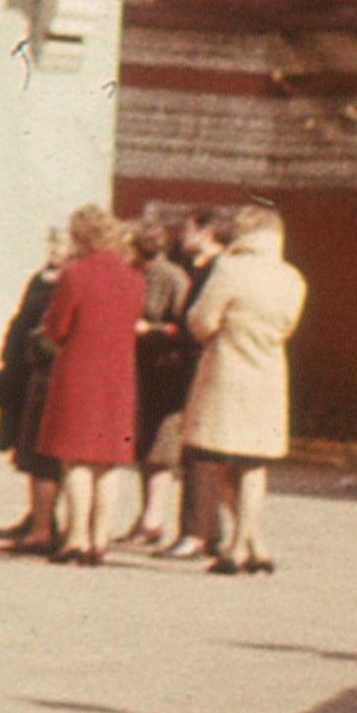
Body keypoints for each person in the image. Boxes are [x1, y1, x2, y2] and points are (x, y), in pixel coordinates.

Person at [185, 203, 310, 576]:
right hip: (268, 374)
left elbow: (203, 321)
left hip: (226, 371)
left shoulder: (231, 270)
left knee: (220, 458)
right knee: (255, 463)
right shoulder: (292, 278)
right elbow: (288, 326)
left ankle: (239, 544)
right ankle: (250, 543)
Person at [31, 202, 146, 564]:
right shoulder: (133, 279)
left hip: (79, 373)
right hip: (118, 376)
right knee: (107, 461)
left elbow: (57, 326)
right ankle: (100, 539)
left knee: (75, 458)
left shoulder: (75, 274)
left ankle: (75, 537)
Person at [0, 222, 72, 555]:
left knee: (45, 451)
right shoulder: (40, 278)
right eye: (51, 242)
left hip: (47, 366)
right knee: (26, 445)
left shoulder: (67, 280)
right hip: (25, 369)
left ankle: (47, 521)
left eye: (60, 243)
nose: (54, 250)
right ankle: (37, 513)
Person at [120, 218, 199, 550]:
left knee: (162, 449)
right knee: (143, 446)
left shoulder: (172, 278)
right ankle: (145, 516)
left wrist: (149, 330)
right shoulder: (134, 274)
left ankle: (154, 518)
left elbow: (183, 327)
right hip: (139, 369)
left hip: (165, 372)